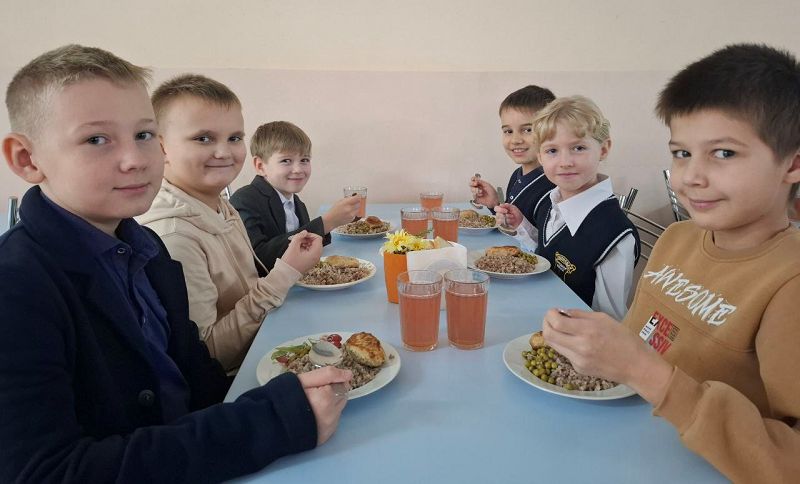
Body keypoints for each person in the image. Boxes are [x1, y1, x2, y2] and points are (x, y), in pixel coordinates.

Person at [0, 44, 351, 482]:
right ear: (27, 159)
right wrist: (272, 420)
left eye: (144, 135)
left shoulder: (144, 247)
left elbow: (194, 374)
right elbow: (46, 472)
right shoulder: (16, 288)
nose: (136, 159)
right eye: (96, 140)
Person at [540, 44, 800, 482]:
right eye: (681, 153)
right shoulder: (677, 239)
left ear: (792, 165)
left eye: (724, 153)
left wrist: (645, 372)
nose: (691, 177)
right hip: (620, 448)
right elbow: (638, 336)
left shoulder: (789, 282)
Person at [138, 75, 321, 372]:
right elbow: (209, 354)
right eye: (203, 138)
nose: (224, 152)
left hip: (264, 340)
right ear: (161, 148)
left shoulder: (220, 204)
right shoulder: (173, 237)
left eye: (234, 138)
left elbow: (247, 287)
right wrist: (285, 272)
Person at [497, 96, 640, 319]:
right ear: (540, 156)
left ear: (603, 149)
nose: (565, 162)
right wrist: (522, 225)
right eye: (552, 151)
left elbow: (609, 319)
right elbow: (548, 255)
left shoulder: (614, 234)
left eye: (578, 148)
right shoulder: (551, 201)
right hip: (537, 310)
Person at [230, 121, 360, 270]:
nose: (298, 169)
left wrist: (337, 221)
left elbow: (306, 244)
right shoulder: (244, 200)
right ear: (260, 166)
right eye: (286, 161)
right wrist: (326, 222)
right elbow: (257, 261)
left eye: (304, 160)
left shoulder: (296, 202)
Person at [468, 85, 556, 223]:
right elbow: (511, 223)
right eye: (508, 131)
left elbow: (543, 236)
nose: (515, 140)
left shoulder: (553, 186)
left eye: (527, 130)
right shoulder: (517, 175)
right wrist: (495, 204)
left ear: (551, 130)